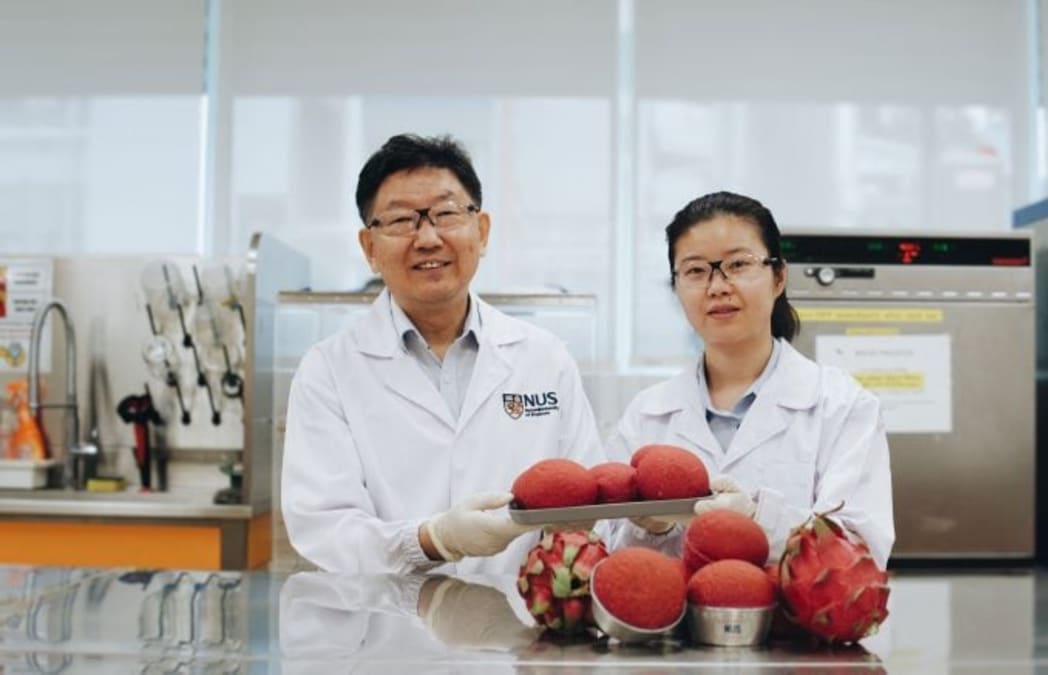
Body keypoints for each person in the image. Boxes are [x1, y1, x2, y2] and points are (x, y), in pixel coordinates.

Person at [282, 134, 603, 575]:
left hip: (521, 629)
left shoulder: (545, 358)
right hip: (391, 630)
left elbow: (586, 505)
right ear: (369, 248)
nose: (428, 238)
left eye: (447, 214)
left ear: (482, 230)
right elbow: (325, 529)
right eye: (400, 221)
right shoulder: (328, 370)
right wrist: (433, 540)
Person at [608, 191, 894, 568]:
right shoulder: (646, 416)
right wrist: (651, 529)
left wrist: (760, 519)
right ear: (676, 287)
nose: (718, 286)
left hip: (794, 628)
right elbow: (611, 560)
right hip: (673, 628)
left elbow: (860, 553)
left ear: (778, 277)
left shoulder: (842, 406)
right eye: (695, 270)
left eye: (738, 264)